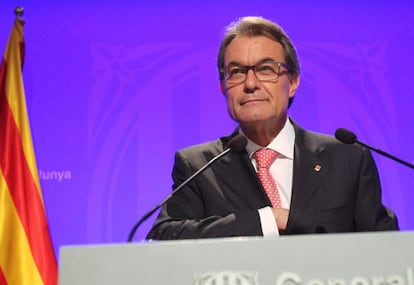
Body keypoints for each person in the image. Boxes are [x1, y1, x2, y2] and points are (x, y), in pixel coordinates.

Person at [146, 16, 398, 240]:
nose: (251, 83)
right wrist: (266, 220)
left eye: (266, 69)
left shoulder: (348, 157)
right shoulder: (198, 166)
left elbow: (386, 248)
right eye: (236, 72)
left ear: (293, 82)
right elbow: (166, 235)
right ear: (223, 87)